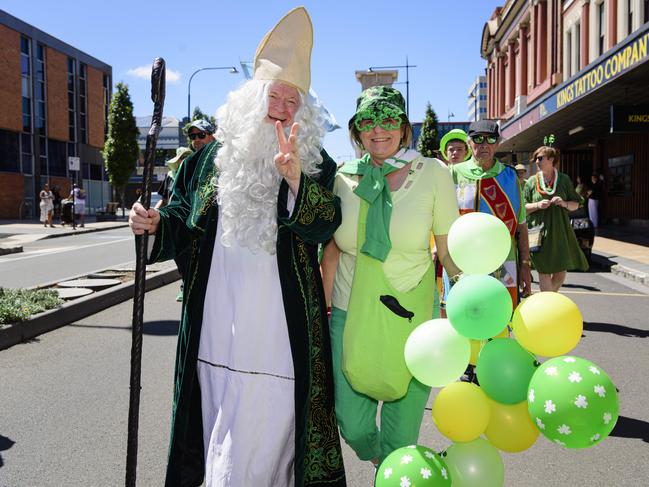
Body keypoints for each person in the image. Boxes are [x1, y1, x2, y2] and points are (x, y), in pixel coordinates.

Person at [128, 7, 346, 486]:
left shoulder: (316, 164)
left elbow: (326, 223)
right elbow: (181, 226)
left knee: (275, 427)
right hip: (216, 324)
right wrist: (152, 225)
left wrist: (294, 179)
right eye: (276, 95)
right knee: (215, 421)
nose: (284, 107)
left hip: (279, 329)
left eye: (295, 100)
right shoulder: (206, 162)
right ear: (253, 98)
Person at [322, 86, 460, 465]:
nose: (377, 130)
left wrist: (468, 297)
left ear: (403, 128)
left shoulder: (433, 173)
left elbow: (447, 249)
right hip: (350, 312)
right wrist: (321, 310)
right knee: (352, 424)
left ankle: (396, 469)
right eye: (368, 121)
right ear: (356, 130)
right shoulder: (342, 178)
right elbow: (332, 250)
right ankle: (387, 466)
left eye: (388, 120)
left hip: (412, 316)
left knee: (401, 438)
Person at [448, 119, 532, 306]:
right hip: (463, 261)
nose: (484, 145)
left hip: (503, 262)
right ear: (469, 143)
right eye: (478, 139)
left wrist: (525, 264)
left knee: (500, 314)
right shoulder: (453, 173)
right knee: (464, 314)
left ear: (498, 143)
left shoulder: (510, 177)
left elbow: (521, 226)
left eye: (491, 139)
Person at [524, 146, 588, 292]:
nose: (537, 162)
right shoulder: (531, 182)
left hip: (560, 232)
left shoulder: (564, 179)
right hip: (538, 233)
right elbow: (522, 208)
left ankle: (548, 302)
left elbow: (575, 204)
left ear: (551, 159)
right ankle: (547, 305)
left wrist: (564, 203)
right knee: (544, 270)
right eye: (535, 159)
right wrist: (538, 205)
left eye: (540, 158)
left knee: (560, 272)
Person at [156, 146, 194, 302]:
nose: (183, 161)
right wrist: (153, 213)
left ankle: (190, 284)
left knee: (190, 255)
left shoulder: (196, 175)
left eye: (186, 157)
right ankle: (185, 282)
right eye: (181, 158)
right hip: (174, 221)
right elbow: (164, 199)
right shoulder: (171, 177)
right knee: (178, 255)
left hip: (191, 221)